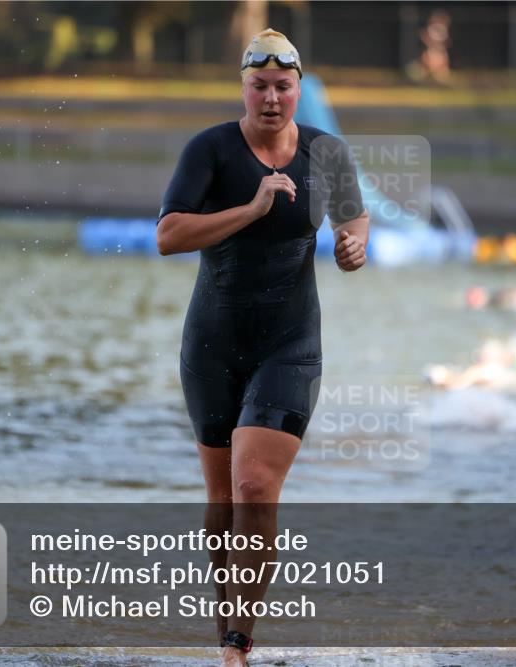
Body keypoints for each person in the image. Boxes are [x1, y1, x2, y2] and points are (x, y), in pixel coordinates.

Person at [155, 29, 369, 667]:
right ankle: (226, 633)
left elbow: (353, 218)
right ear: (243, 88)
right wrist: (252, 208)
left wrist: (353, 245)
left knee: (253, 487)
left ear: (298, 89)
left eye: (283, 87)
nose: (271, 98)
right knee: (222, 503)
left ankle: (238, 648)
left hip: (290, 344)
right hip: (212, 345)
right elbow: (168, 235)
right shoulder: (212, 150)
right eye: (259, 87)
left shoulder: (327, 153)